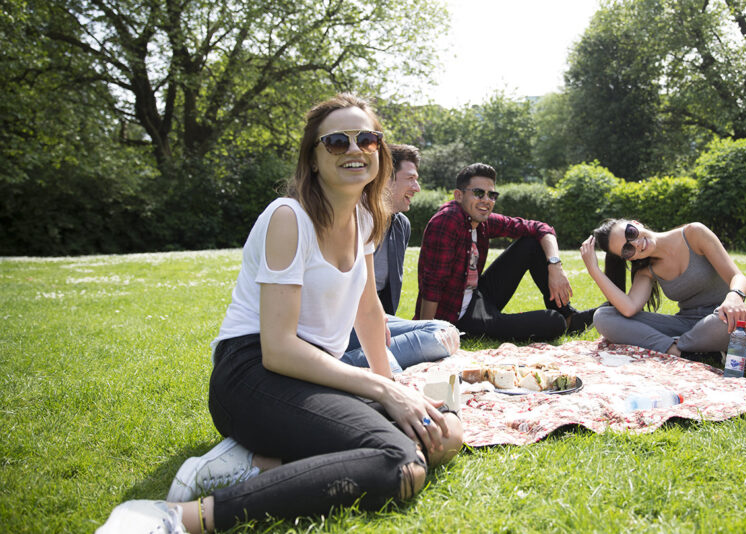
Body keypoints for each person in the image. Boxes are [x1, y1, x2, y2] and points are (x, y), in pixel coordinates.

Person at [97, 94, 463, 534]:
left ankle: (251, 463)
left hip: (315, 376)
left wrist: (391, 385)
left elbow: (369, 310)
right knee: (400, 463)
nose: (353, 150)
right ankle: (173, 519)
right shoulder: (289, 218)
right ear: (312, 158)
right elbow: (279, 350)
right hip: (250, 376)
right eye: (336, 142)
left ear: (379, 152)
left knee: (444, 436)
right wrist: (381, 392)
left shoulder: (366, 219)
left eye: (367, 139)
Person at [414, 162, 594, 341]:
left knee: (531, 243)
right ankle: (565, 321)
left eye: (492, 195)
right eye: (478, 193)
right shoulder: (447, 221)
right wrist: (427, 334)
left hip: (476, 297)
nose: (486, 200)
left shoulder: (482, 221)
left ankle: (569, 316)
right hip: (458, 318)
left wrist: (555, 265)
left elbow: (541, 228)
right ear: (459, 195)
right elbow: (432, 286)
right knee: (553, 323)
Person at [341, 144, 459, 372]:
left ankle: (361, 359)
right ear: (385, 178)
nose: (417, 187)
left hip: (375, 322)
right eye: (411, 179)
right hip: (342, 322)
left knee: (443, 332)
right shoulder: (352, 218)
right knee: (436, 337)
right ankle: (339, 364)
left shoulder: (400, 225)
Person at [579, 219, 746, 359]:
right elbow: (629, 308)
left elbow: (738, 277)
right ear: (628, 258)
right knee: (603, 316)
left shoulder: (694, 233)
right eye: (627, 249)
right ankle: (677, 351)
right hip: (686, 325)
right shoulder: (646, 270)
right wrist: (594, 270)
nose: (636, 244)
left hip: (722, 318)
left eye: (630, 233)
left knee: (728, 323)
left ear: (636, 223)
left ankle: (685, 347)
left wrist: (734, 296)